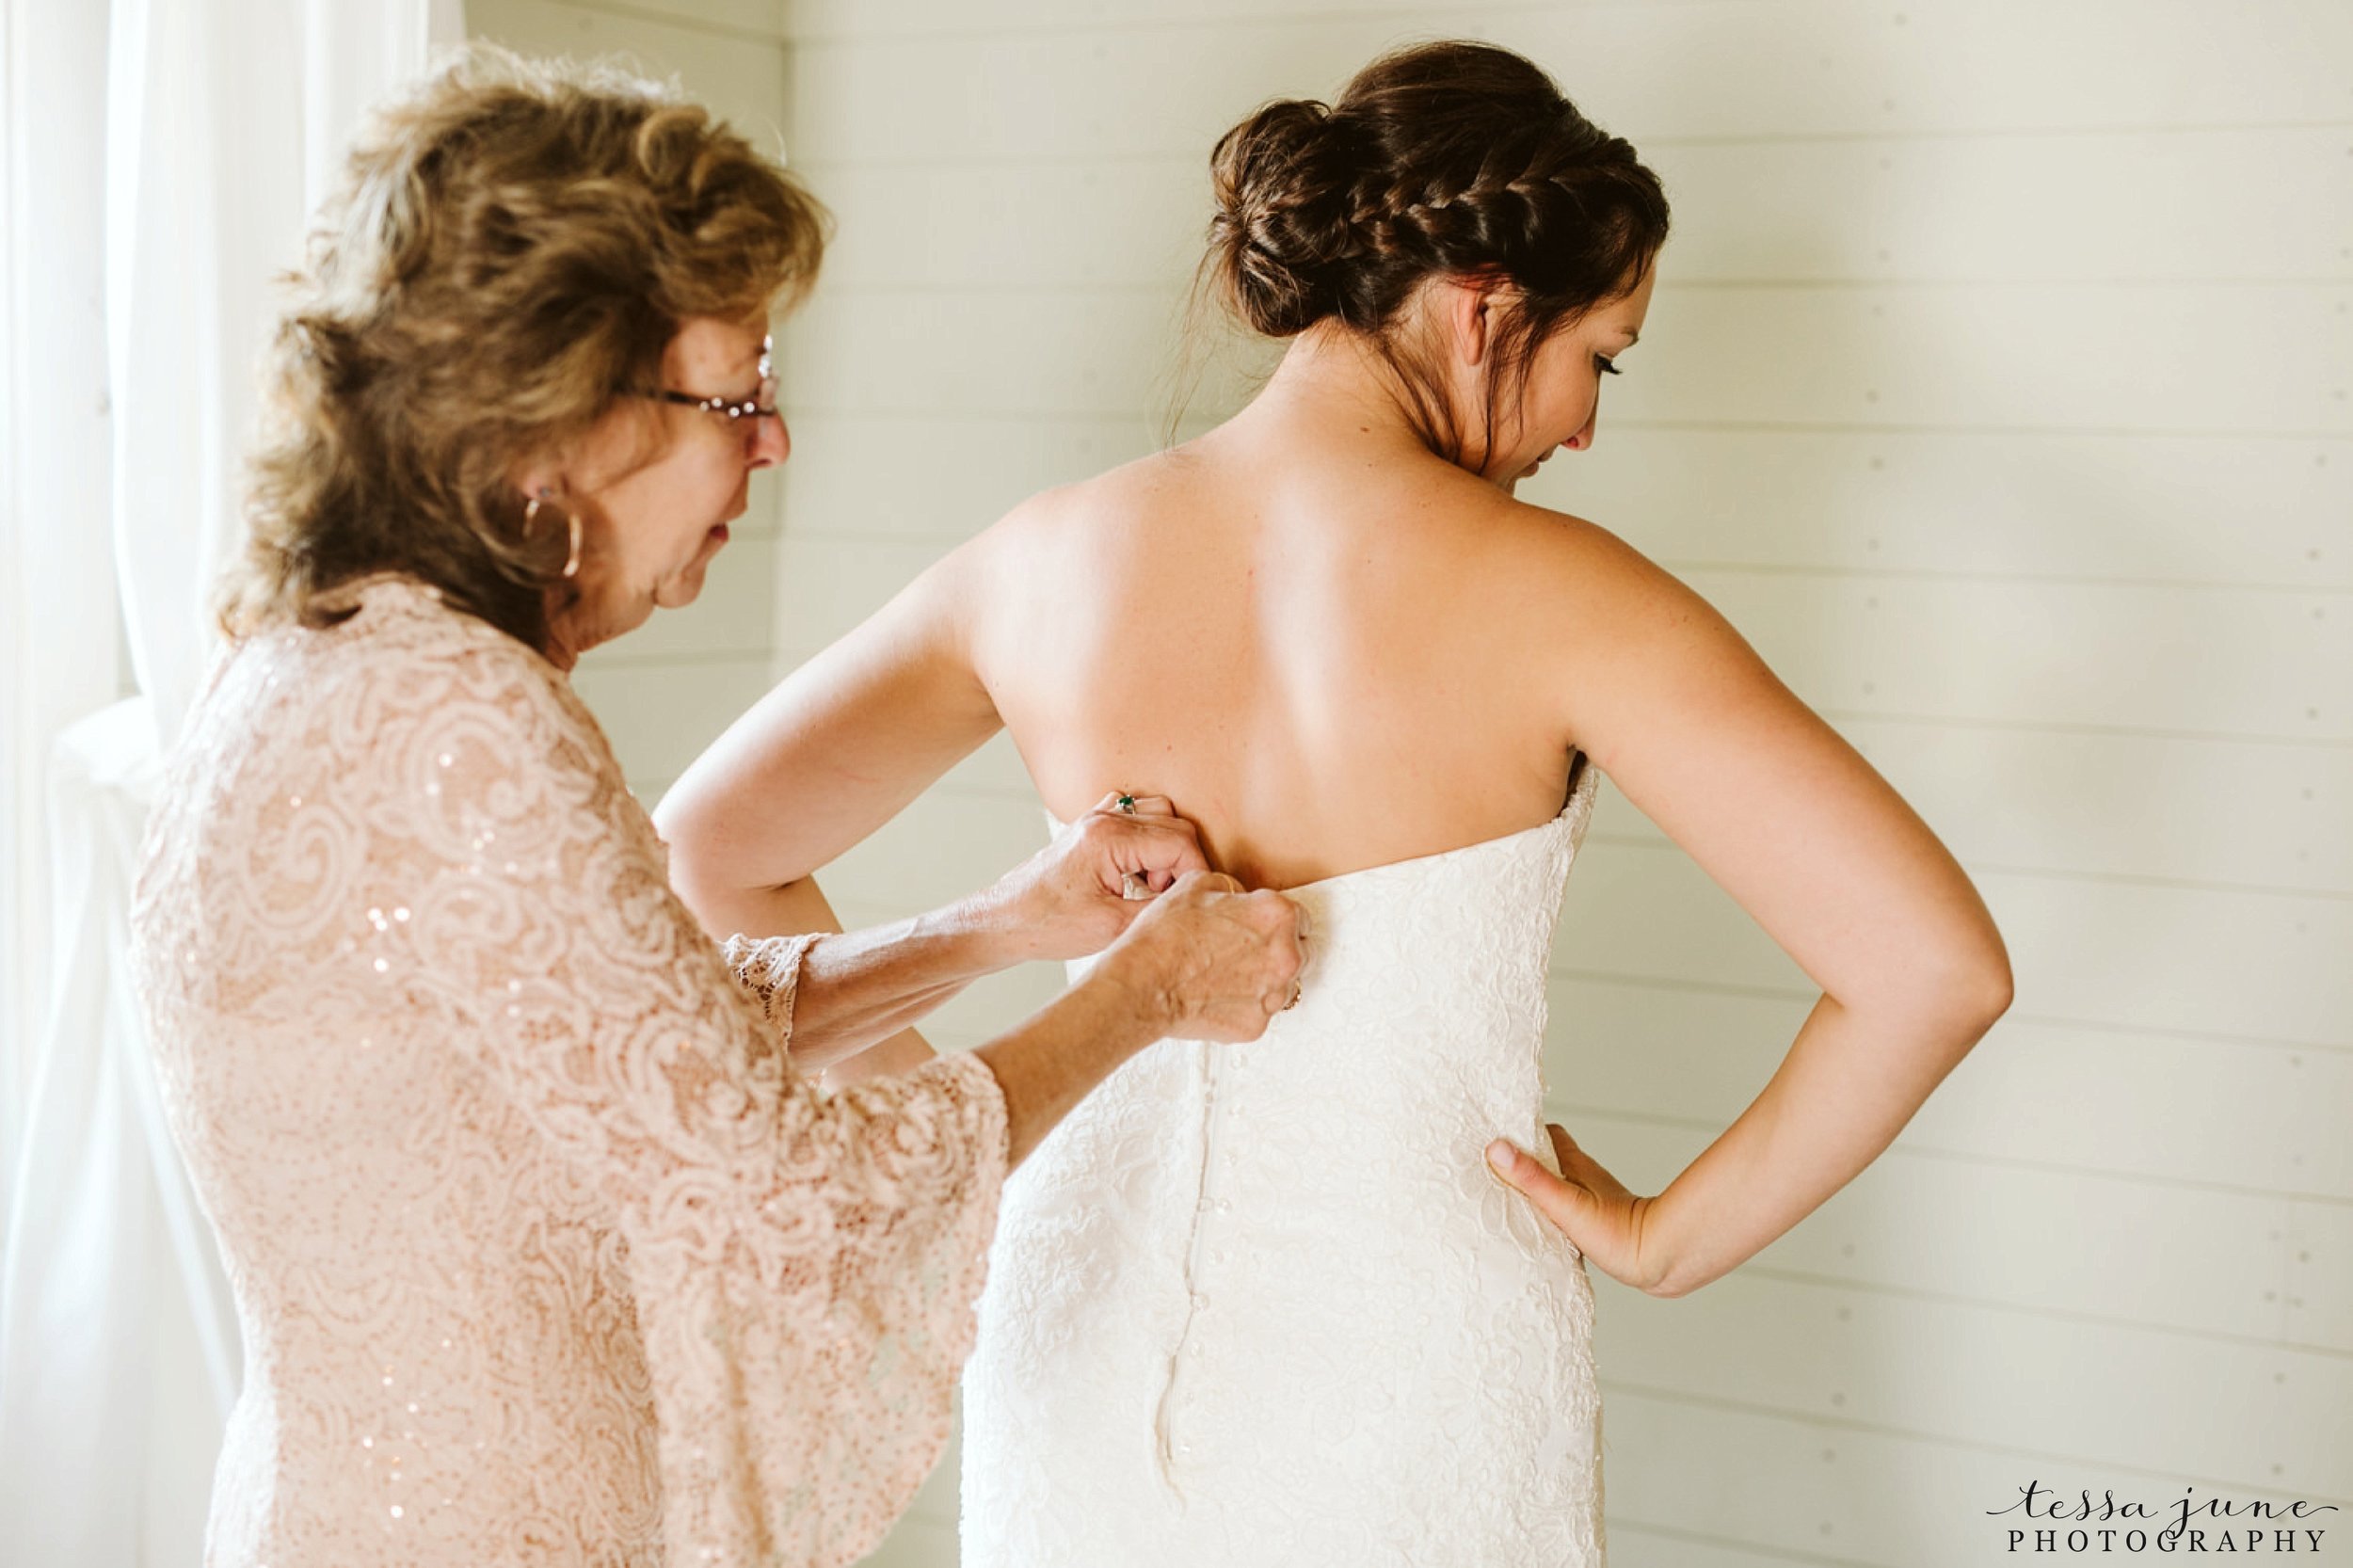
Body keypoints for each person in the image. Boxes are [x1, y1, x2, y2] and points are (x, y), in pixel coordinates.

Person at [655, 39, 2013, 1568]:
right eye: (1600, 357)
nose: (1585, 426)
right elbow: (1936, 968)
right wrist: (1667, 1238)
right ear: (1484, 301)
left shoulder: (1045, 560)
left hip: (1077, 1331)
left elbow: (711, 849)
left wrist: (975, 1105)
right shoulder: (1576, 601)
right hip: (1416, 1369)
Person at [126, 46, 1305, 1568]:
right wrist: (1139, 998)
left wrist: (1007, 925)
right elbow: (788, 1193)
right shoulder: (458, 723)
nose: (772, 440)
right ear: (552, 410)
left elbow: (647, 1052)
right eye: (733, 393)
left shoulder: (315, 662)